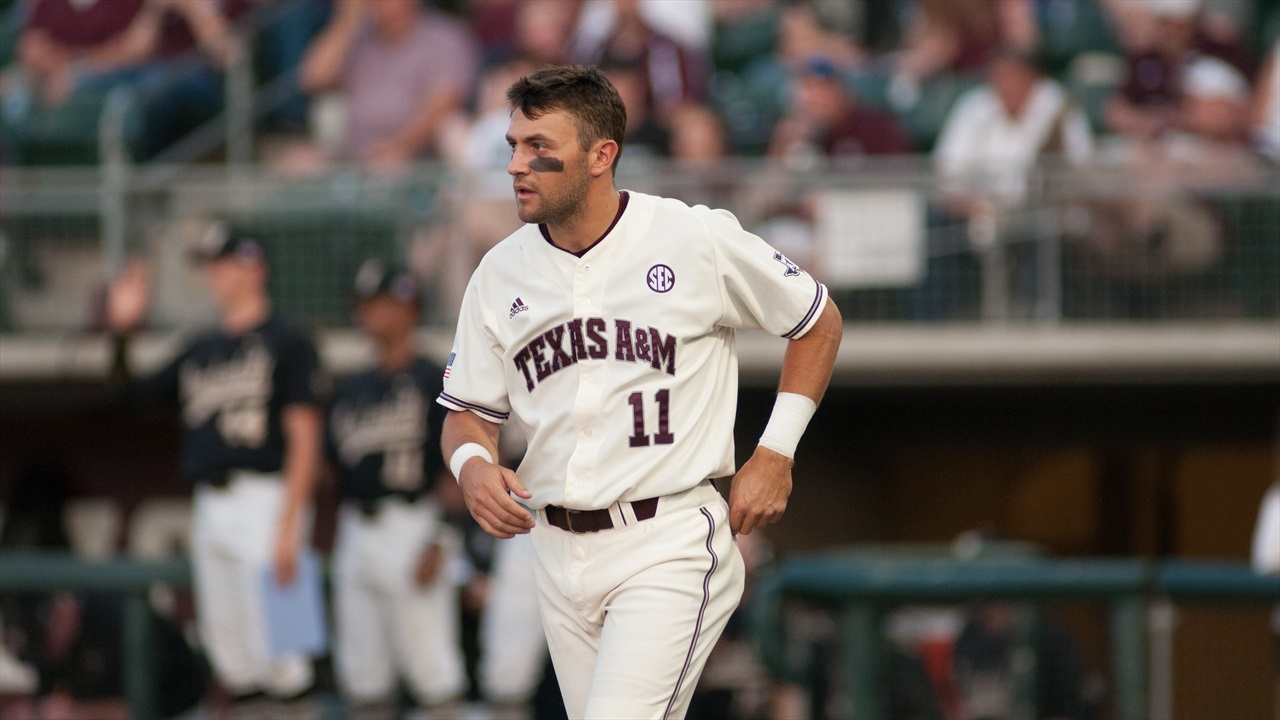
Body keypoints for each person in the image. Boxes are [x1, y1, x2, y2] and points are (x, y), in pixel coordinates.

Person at [438, 65, 843, 718]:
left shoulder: (692, 237)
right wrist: (473, 466)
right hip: (554, 546)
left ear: (602, 156)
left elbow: (817, 320)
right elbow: (465, 415)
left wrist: (775, 452)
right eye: (513, 145)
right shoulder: (498, 272)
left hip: (667, 539)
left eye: (541, 148)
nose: (517, 164)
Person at [103, 225, 327, 720]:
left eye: (222, 263)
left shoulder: (289, 340)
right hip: (211, 505)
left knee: (287, 660)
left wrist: (292, 526)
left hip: (270, 500)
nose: (213, 275)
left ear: (254, 266)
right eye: (210, 265)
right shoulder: (200, 347)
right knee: (233, 660)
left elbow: (305, 440)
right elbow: (128, 397)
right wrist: (121, 333)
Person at [324, 259, 468, 720]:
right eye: (365, 305)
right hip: (357, 528)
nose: (370, 314)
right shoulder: (350, 388)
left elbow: (459, 466)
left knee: (433, 675)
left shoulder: (436, 377)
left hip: (413, 524)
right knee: (363, 680)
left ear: (409, 307)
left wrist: (440, 538)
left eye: (382, 303)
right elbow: (330, 471)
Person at [297, 0, 479, 171]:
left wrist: (400, 146)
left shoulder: (445, 36)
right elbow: (313, 78)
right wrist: (347, 19)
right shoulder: (358, 38)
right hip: (354, 156)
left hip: (421, 158)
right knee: (299, 164)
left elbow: (445, 104)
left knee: (452, 127)